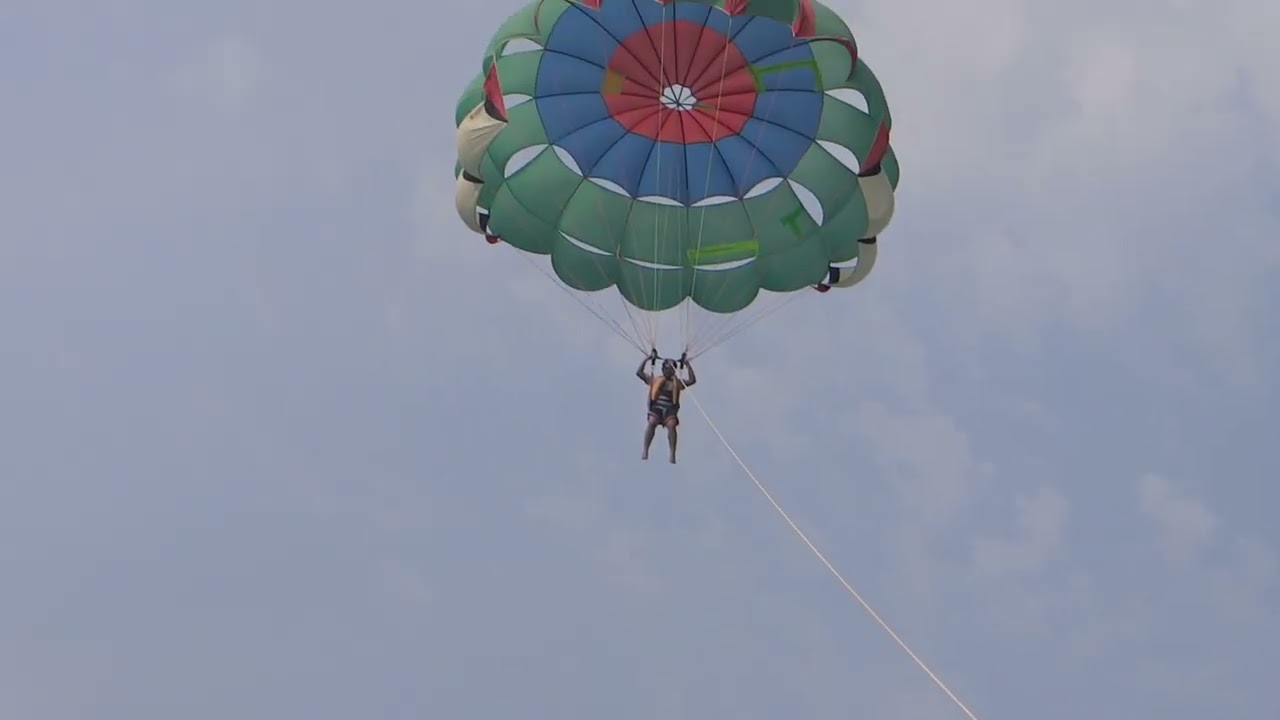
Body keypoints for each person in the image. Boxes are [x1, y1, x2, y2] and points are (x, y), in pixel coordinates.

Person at [636, 351, 696, 463]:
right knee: (652, 422)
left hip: (670, 410)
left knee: (672, 425)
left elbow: (692, 380)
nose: (668, 371)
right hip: (656, 408)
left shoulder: (677, 383)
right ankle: (645, 450)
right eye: (666, 369)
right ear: (663, 369)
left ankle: (672, 453)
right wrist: (647, 359)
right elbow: (639, 373)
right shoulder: (654, 380)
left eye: (670, 369)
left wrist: (687, 365)